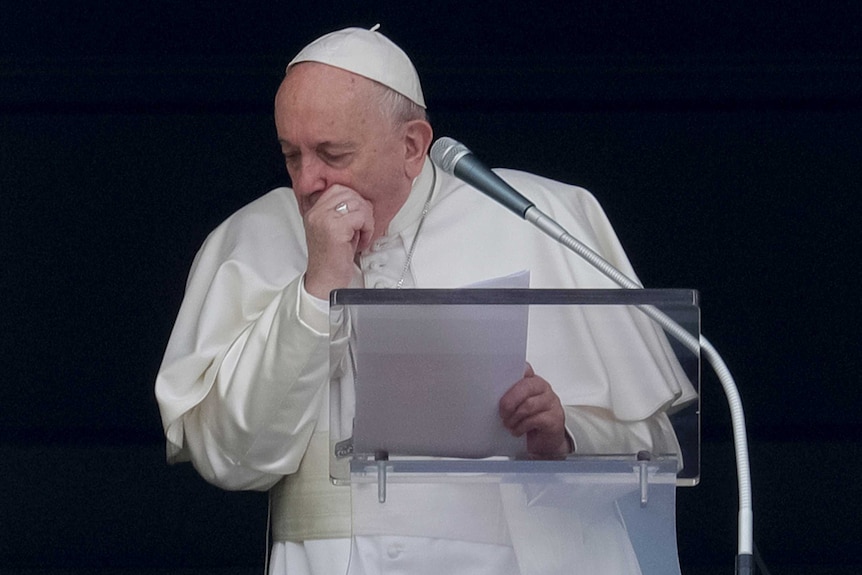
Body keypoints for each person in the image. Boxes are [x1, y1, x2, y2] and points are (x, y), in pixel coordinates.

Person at [155, 25, 697, 575]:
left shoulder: (540, 217)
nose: (308, 182)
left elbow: (652, 449)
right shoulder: (252, 237)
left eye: (332, 153)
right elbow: (231, 458)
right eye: (291, 155)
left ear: (412, 146)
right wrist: (316, 287)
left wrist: (566, 436)